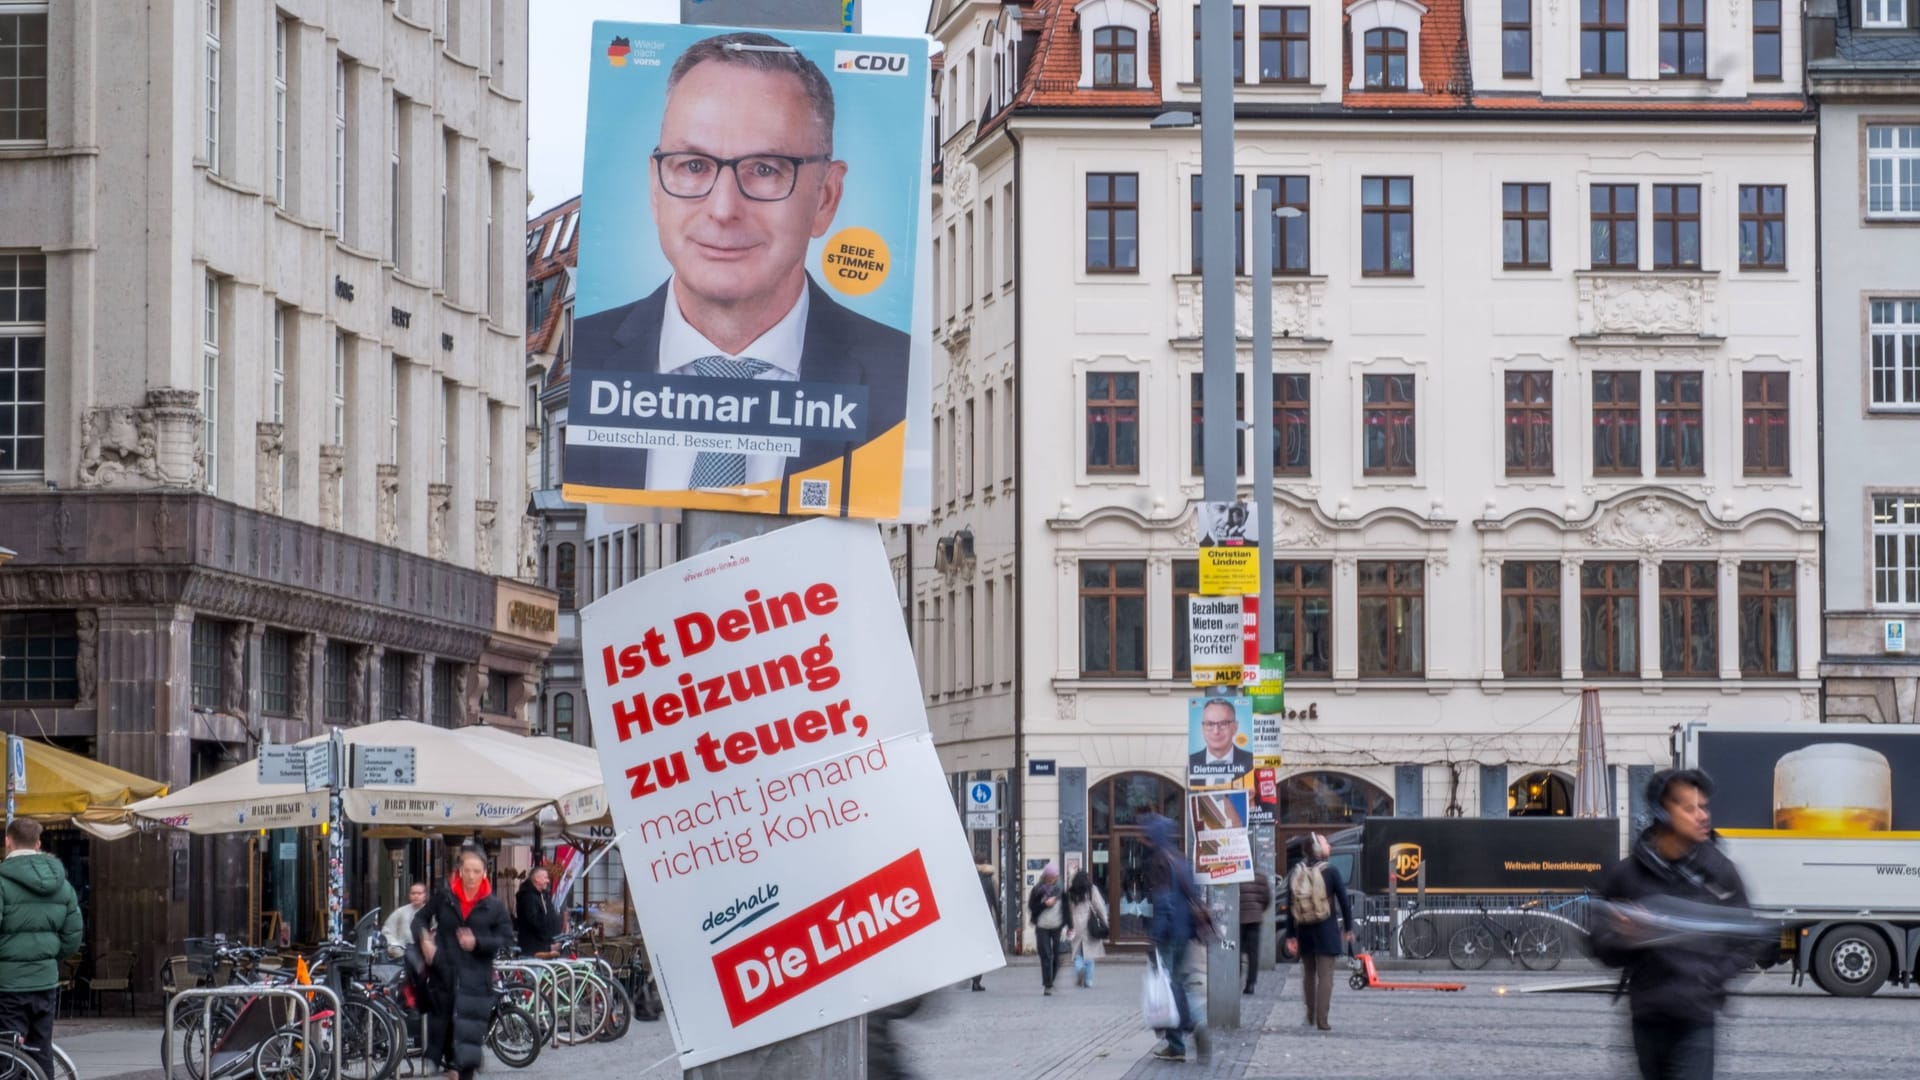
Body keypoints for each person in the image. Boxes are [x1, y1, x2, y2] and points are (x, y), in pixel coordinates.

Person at [569, 30, 910, 494]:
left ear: (826, 198)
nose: (724, 208)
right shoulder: (586, 352)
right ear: (655, 186)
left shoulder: (896, 374)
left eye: (766, 170)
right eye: (693, 166)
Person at [1594, 769, 1764, 1080]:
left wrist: (1710, 978)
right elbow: (1599, 943)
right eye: (1689, 808)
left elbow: (1748, 939)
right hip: (1647, 1016)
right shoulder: (1627, 874)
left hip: (1696, 1017)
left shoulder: (1720, 871)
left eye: (1704, 806)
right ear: (1662, 813)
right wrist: (1621, 937)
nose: (1702, 816)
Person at [416, 850, 511, 1080]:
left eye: (476, 871)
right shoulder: (445, 898)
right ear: (459, 871)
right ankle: (452, 1067)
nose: (471, 876)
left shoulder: (493, 906)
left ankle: (459, 1070)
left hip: (475, 984)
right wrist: (424, 938)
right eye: (467, 870)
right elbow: (420, 918)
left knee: (467, 1050)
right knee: (446, 1042)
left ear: (484, 873)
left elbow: (506, 939)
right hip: (445, 978)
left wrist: (477, 942)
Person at [0, 820, 81, 1080]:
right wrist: (47, 955)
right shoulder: (63, 885)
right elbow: (72, 937)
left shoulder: (2, 882)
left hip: (8, 985)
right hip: (45, 982)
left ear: (7, 842)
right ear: (38, 844)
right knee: (40, 1050)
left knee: (8, 1055)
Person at [1144, 813, 1208, 1063]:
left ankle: (1177, 1044)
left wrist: (1156, 938)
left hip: (1168, 933)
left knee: (1167, 988)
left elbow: (1164, 902)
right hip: (1185, 932)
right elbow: (1194, 893)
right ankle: (1199, 1021)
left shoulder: (1160, 860)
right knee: (1180, 983)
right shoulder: (1181, 859)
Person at [1282, 833, 1352, 1032]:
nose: (1328, 845)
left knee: (1309, 975)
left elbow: (1290, 904)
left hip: (1304, 929)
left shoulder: (1297, 871)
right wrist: (1348, 928)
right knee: (1326, 976)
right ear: (1317, 849)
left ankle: (1310, 1015)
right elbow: (1344, 902)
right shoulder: (1330, 871)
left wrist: (1290, 935)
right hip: (1326, 929)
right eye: (1325, 843)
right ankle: (1323, 1020)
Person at [1188, 700, 1254, 787]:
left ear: (1235, 727)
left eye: (1223, 723)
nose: (1216, 731)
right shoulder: (1191, 762)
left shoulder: (1251, 761)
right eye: (1210, 724)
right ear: (1202, 728)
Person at [1063, 869, 1108, 989]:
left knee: (1078, 952)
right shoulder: (1091, 889)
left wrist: (1068, 926)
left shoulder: (1071, 891)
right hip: (1090, 922)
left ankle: (1079, 968)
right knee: (1089, 954)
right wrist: (1104, 921)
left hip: (1076, 923)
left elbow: (1067, 910)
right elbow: (1099, 906)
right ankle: (1088, 980)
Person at [1025, 863, 1065, 995]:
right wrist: (1044, 904)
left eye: (1054, 877)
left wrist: (1069, 925)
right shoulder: (1037, 890)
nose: (1052, 879)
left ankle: (1051, 979)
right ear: (1046, 876)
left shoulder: (1060, 890)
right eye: (1050, 877)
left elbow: (1066, 909)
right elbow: (1032, 907)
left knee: (1056, 956)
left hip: (1056, 925)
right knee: (1046, 955)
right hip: (1042, 926)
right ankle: (1047, 985)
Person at [1238, 869, 1273, 994]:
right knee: (1253, 954)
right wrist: (1258, 910)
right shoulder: (1261, 876)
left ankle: (1236, 979)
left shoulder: (1235, 876)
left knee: (1235, 952)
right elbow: (1267, 898)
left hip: (1238, 920)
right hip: (1254, 919)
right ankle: (1250, 984)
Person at [513, 866, 560, 955]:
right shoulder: (528, 897)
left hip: (541, 947)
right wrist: (547, 945)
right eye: (545, 878)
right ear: (537, 879)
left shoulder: (542, 896)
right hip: (533, 950)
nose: (548, 881)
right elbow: (535, 923)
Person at [971, 862, 998, 991]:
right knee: (981, 950)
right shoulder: (988, 880)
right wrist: (998, 918)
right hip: (983, 918)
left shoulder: (969, 877)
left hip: (971, 918)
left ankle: (973, 977)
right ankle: (976, 980)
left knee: (973, 949)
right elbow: (993, 900)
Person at [383, 882, 428, 958]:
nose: (416, 896)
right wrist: (395, 947)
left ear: (425, 895)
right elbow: (387, 931)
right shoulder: (400, 912)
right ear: (409, 895)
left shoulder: (431, 912)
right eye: (413, 893)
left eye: (419, 893)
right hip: (403, 954)